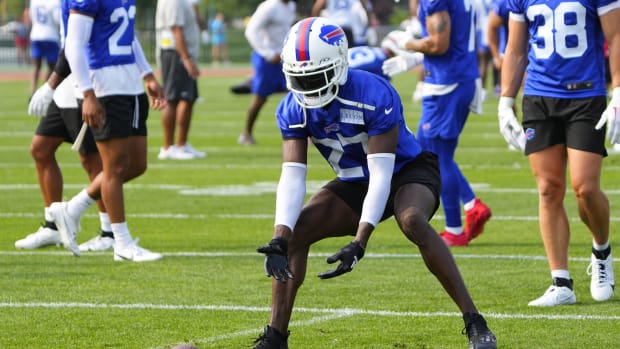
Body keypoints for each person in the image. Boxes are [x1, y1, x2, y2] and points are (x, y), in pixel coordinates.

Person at [252, 17, 497, 349]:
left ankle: (474, 321)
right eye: (300, 79)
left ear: (338, 66)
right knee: (295, 234)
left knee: (411, 220)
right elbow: (293, 174)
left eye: (315, 77)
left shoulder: (373, 92)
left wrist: (360, 240)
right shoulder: (292, 109)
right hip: (355, 180)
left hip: (407, 171)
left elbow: (382, 174)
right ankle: (276, 336)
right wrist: (279, 237)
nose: (308, 88)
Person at [498, 0, 618, 306]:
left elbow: (615, 36)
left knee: (585, 188)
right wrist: (505, 100)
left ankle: (601, 251)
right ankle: (561, 282)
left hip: (585, 94)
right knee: (549, 189)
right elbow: (515, 48)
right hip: (539, 96)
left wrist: (618, 89)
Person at [51, 0, 166, 262]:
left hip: (130, 85)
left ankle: (72, 208)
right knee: (114, 167)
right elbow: (74, 44)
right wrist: (88, 93)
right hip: (104, 85)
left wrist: (147, 75)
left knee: (136, 164)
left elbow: (128, 36)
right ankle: (122, 244)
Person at [391, 0, 492, 247]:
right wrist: (415, 57)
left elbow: (438, 44)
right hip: (461, 77)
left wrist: (406, 44)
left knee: (434, 157)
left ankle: (459, 224)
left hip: (447, 83)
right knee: (440, 154)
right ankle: (467, 210)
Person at [15, 48, 115, 253]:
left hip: (80, 87)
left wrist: (50, 84)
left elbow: (74, 43)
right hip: (63, 89)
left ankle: (109, 232)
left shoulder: (78, 13)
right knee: (40, 149)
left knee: (92, 161)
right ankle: (53, 225)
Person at [238, 0, 296, 146]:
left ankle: (307, 135)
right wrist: (268, 53)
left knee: (298, 94)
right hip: (268, 60)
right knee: (260, 98)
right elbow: (251, 30)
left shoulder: (291, 6)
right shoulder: (269, 6)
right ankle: (246, 133)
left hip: (286, 57)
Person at [155, 0, 206, 160]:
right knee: (173, 99)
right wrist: (185, 58)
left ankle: (182, 144)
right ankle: (168, 146)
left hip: (181, 53)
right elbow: (175, 28)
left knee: (188, 98)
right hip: (175, 52)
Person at [28, 0, 61, 97]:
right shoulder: (54, 2)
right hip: (50, 35)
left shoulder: (34, 1)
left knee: (36, 66)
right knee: (52, 67)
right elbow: (57, 19)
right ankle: (44, 91)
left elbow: (32, 16)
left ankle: (32, 91)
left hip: (36, 34)